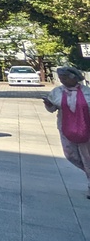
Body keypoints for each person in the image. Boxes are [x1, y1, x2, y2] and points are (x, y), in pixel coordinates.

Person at [42, 66, 90, 198]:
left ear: (73, 78)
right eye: (61, 78)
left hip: (86, 128)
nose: (62, 80)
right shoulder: (57, 92)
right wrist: (48, 104)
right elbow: (52, 108)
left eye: (65, 78)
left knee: (87, 157)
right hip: (66, 127)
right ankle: (88, 172)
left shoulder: (87, 92)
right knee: (70, 155)